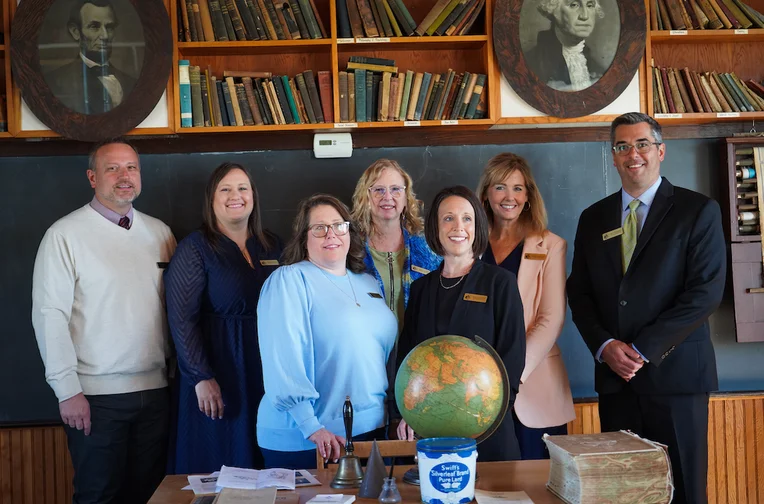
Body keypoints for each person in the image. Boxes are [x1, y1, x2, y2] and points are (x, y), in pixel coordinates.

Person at [566, 112, 726, 504]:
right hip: (616, 383)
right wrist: (605, 346)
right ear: (613, 156)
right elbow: (579, 293)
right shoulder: (593, 218)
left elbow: (704, 293)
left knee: (685, 490)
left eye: (642, 144)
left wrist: (641, 350)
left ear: (661, 151)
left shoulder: (697, 211)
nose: (632, 154)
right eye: (622, 146)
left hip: (677, 379)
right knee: (625, 493)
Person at [31, 138, 176, 503]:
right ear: (92, 177)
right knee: (98, 496)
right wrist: (67, 391)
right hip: (95, 399)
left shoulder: (160, 233)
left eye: (131, 167)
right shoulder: (64, 235)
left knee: (151, 495)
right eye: (112, 168)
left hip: (156, 393)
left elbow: (176, 310)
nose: (124, 176)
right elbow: (50, 317)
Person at [256, 194, 398, 469]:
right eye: (319, 228)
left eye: (338, 225)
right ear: (303, 237)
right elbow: (283, 360)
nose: (331, 234)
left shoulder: (368, 281)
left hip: (370, 431)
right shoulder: (289, 280)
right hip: (311, 437)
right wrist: (311, 427)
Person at [164, 162, 282, 474]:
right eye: (226, 189)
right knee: (223, 465)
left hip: (267, 371)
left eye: (243, 188)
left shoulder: (273, 245)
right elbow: (181, 319)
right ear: (212, 198)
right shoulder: (196, 248)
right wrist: (201, 377)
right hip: (218, 373)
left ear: (253, 196)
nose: (236, 195)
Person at [395, 186, 526, 462]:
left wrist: (489, 416)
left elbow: (512, 356)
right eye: (448, 218)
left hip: (487, 429)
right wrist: (406, 412)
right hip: (430, 431)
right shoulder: (420, 289)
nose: (459, 227)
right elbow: (409, 356)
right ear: (436, 227)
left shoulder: (500, 283)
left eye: (467, 218)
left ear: (477, 226)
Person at [476, 153, 575, 460]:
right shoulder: (469, 244)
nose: (510, 197)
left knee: (540, 484)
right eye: (500, 187)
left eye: (518, 188)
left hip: (532, 385)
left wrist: (510, 375)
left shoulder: (550, 245)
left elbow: (551, 319)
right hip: (476, 388)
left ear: (529, 196)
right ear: (486, 194)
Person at [350, 159, 440, 421]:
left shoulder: (429, 249)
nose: (387, 197)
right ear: (365, 196)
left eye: (395, 189)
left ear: (406, 196)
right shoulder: (349, 249)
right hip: (364, 363)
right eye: (378, 190)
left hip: (417, 362)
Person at [44, 0, 137, 114]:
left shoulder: (131, 82)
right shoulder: (55, 82)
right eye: (94, 27)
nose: (105, 36)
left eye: (109, 27)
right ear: (75, 32)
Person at [524, 0, 606, 91]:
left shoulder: (598, 69)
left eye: (590, 5)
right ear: (553, 9)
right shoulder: (530, 65)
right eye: (574, 5)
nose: (585, 16)